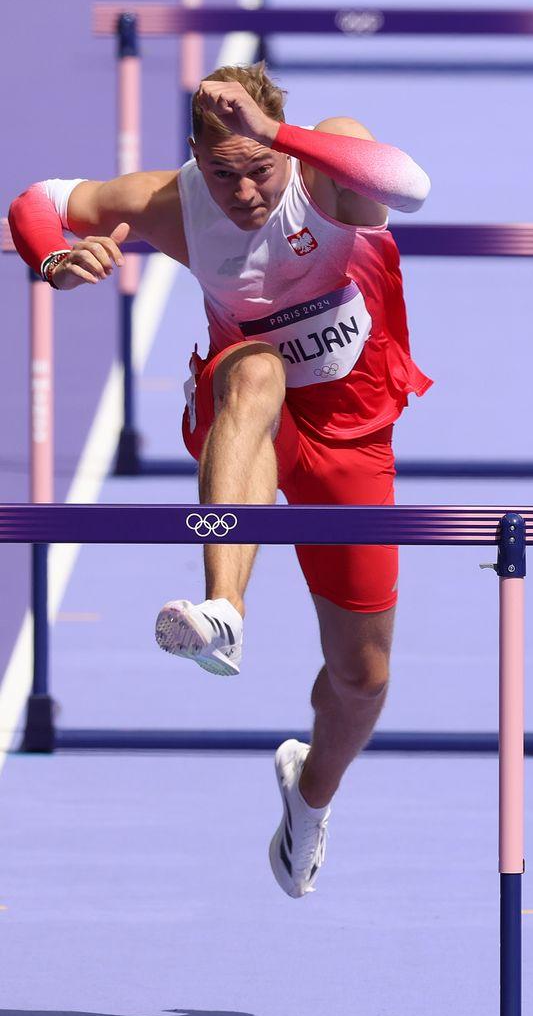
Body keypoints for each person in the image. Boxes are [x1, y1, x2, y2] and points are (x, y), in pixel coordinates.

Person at [7, 63, 433, 892]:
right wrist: (50, 260)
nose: (242, 191)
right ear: (196, 157)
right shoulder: (173, 202)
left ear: (283, 145)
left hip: (351, 428)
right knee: (257, 371)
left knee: (363, 677)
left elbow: (407, 185)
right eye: (223, 171)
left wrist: (279, 139)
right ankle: (223, 609)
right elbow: (38, 205)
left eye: (258, 171)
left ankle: (309, 797)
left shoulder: (327, 162)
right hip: (242, 411)